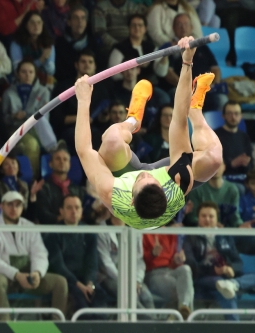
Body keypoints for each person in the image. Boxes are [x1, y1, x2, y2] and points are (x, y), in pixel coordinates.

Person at [73, 36, 222, 229]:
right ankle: (194, 109)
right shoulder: (178, 182)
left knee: (111, 139)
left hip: (124, 175)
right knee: (214, 159)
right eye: (150, 178)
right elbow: (178, 120)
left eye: (141, 180)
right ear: (163, 186)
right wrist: (187, 61)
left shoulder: (113, 193)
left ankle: (132, 118)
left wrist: (83, 100)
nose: (144, 174)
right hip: (169, 185)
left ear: (131, 200)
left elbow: (84, 150)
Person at [0, 191, 67, 321]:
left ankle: (58, 324)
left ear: (22, 208)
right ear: (1, 206)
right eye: (10, 205)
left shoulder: (30, 227)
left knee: (60, 282)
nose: (14, 209)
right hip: (3, 276)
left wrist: (37, 273)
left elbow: (40, 253)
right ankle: (5, 325)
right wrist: (16, 275)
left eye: (18, 205)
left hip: (27, 276)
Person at [184, 201, 255, 321]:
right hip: (205, 278)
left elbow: (238, 261)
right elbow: (191, 265)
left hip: (227, 278)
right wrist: (213, 270)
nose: (207, 219)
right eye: (203, 216)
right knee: (222, 286)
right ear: (198, 218)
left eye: (211, 216)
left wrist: (231, 269)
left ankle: (234, 284)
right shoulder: (191, 236)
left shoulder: (224, 235)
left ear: (216, 218)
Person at [44, 195, 107, 318]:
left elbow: (92, 262)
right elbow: (59, 266)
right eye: (69, 208)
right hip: (67, 281)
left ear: (81, 211)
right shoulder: (52, 233)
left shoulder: (89, 232)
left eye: (77, 208)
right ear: (61, 211)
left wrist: (89, 284)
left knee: (100, 297)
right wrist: (79, 285)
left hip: (86, 280)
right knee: (80, 302)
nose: (74, 211)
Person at [157, 13, 226, 111]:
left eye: (186, 24)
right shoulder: (170, 47)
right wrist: (189, 88)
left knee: (221, 99)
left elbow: (215, 69)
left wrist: (215, 85)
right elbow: (168, 73)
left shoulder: (202, 46)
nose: (183, 28)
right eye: (179, 25)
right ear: (173, 28)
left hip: (203, 89)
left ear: (192, 27)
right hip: (179, 89)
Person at [2, 59, 57, 176]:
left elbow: (45, 117)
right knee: (32, 145)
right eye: (24, 72)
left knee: (41, 119)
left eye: (31, 72)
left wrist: (27, 115)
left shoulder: (43, 91)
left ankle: (54, 152)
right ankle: (33, 180)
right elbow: (3, 119)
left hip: (37, 127)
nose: (27, 75)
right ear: (17, 74)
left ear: (35, 74)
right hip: (17, 129)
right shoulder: (8, 93)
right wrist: (13, 116)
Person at [50, 48, 111, 154]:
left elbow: (102, 119)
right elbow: (57, 118)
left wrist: (103, 118)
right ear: (76, 65)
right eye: (83, 61)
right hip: (70, 130)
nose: (87, 65)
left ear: (95, 66)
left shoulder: (102, 90)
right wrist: (82, 117)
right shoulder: (64, 88)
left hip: (94, 129)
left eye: (90, 62)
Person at [97, 215, 155, 310]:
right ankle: (153, 322)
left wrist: (136, 280)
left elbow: (139, 260)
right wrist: (126, 281)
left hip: (131, 276)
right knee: (130, 296)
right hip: (109, 277)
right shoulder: (102, 230)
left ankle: (153, 323)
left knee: (146, 296)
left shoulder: (134, 228)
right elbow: (106, 263)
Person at [143, 228, 195, 319]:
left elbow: (174, 260)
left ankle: (183, 308)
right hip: (153, 273)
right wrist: (152, 254)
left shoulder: (171, 232)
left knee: (186, 269)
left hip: (171, 271)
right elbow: (138, 260)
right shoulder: (143, 232)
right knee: (187, 290)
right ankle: (185, 318)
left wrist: (177, 260)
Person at [34, 145, 87, 224]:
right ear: (50, 164)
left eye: (65, 159)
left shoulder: (78, 190)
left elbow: (85, 214)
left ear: (69, 165)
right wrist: (66, 219)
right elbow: (43, 215)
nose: (61, 162)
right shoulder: (44, 188)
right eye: (58, 159)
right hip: (52, 230)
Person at [183, 162, 243, 228]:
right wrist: (211, 224)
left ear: (224, 167)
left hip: (226, 230)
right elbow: (192, 217)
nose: (216, 168)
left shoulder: (232, 189)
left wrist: (241, 225)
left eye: (219, 165)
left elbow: (235, 216)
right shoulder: (197, 189)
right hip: (201, 229)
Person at [10, 11, 56, 89]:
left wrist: (42, 63)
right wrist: (41, 60)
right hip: (22, 82)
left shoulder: (48, 43)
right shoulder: (16, 44)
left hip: (45, 83)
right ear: (26, 25)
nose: (36, 26)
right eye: (32, 23)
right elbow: (17, 69)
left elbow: (51, 69)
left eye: (39, 22)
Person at [54, 5, 97, 82]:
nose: (79, 21)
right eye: (76, 18)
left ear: (86, 22)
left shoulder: (94, 43)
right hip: (66, 85)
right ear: (69, 22)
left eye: (83, 18)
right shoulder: (60, 44)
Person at [214, 101, 251, 177]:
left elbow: (250, 162)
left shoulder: (244, 137)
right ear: (223, 116)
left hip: (243, 177)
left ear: (241, 116)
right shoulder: (214, 136)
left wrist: (246, 162)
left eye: (236, 114)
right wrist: (232, 164)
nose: (233, 117)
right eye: (230, 114)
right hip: (222, 178)